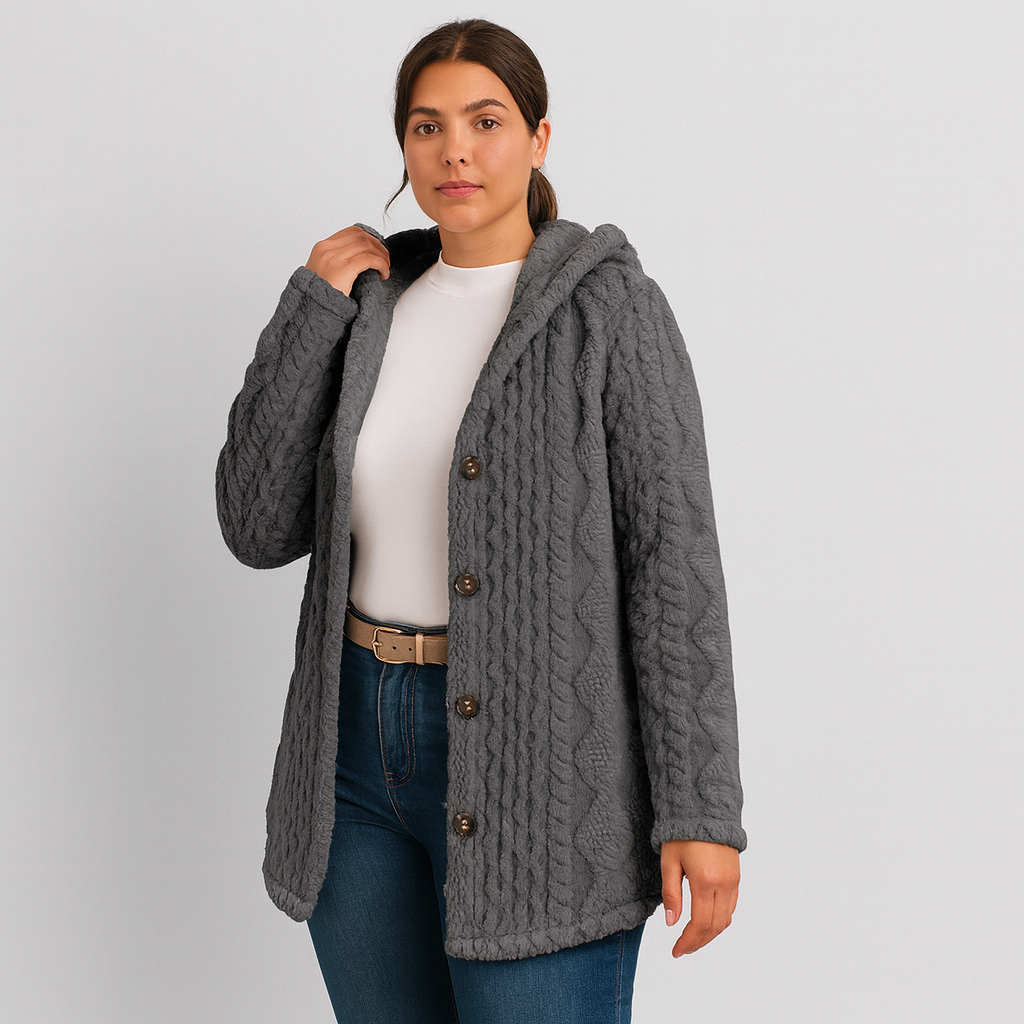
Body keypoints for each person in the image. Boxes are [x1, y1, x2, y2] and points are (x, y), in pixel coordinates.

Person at [216, 17, 745, 1024]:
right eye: (427, 126)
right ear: (404, 147)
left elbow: (673, 567)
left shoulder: (611, 313)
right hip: (353, 760)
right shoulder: (368, 307)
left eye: (485, 121)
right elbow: (253, 525)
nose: (454, 150)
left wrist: (700, 806)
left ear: (539, 139)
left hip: (544, 774)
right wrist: (311, 309)